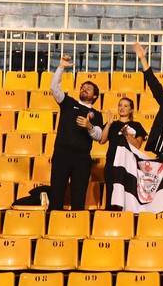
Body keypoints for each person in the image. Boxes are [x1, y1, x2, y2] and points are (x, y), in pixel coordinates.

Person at [49, 54, 103, 210]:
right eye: (82, 87)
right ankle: (53, 226)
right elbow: (54, 88)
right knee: (57, 194)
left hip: (81, 158)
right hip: (61, 154)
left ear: (94, 96)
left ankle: (76, 228)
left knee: (79, 197)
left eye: (88, 88)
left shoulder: (97, 115)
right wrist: (61, 67)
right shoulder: (68, 103)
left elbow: (99, 136)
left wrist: (89, 126)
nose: (84, 89)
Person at [100, 97, 148, 210]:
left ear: (131, 110)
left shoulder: (136, 125)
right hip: (112, 164)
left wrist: (127, 134)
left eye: (125, 106)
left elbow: (137, 145)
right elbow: (102, 140)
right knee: (111, 195)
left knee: (127, 195)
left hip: (129, 166)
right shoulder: (111, 124)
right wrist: (108, 124)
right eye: (120, 105)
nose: (122, 108)